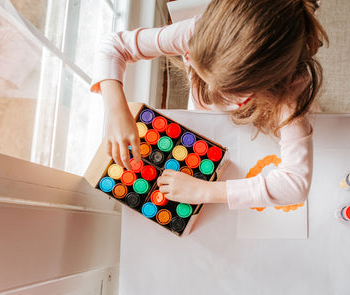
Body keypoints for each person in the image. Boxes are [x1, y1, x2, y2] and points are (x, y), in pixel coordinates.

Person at [90, 0, 328, 209]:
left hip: (263, 134)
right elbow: (113, 46)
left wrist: (206, 192)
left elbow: (294, 185)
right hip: (205, 129)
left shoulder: (291, 88)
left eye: (229, 92)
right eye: (204, 76)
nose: (211, 94)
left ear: (268, 85)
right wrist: (115, 110)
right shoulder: (193, 32)